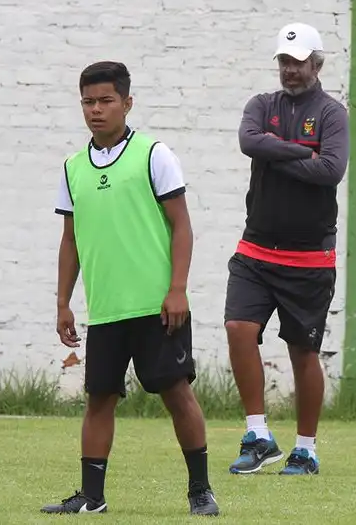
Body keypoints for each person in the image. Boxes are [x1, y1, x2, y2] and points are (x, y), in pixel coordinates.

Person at [41, 61, 219, 516]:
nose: (95, 110)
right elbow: (71, 239)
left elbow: (182, 227)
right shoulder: (73, 167)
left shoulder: (153, 154)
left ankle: (201, 490)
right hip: (105, 311)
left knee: (177, 395)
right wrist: (63, 303)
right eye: (88, 102)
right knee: (98, 399)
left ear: (127, 102)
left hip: (157, 308)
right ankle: (92, 497)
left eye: (105, 101)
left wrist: (177, 289)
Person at [223, 23, 350, 476]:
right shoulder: (262, 105)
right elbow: (248, 142)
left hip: (309, 257)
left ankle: (306, 449)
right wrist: (302, 153)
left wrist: (275, 152)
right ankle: (258, 435)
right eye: (284, 61)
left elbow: (331, 170)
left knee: (302, 352)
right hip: (255, 248)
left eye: (297, 62)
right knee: (239, 327)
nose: (289, 70)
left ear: (317, 63)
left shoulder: (333, 114)